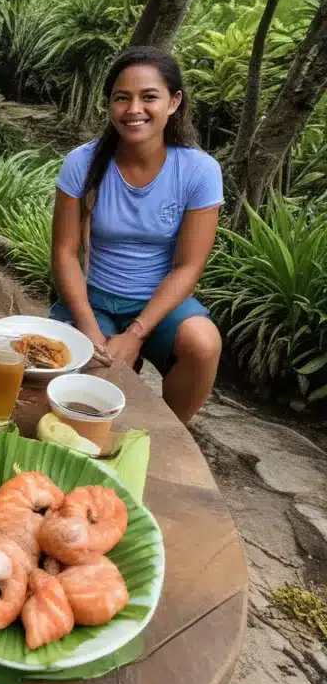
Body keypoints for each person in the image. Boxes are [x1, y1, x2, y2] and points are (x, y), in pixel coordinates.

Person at [50, 46, 223, 422]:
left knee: (203, 343)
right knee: (83, 379)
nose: (134, 110)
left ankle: (169, 434)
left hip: (160, 304)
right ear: (110, 104)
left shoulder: (199, 171)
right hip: (92, 298)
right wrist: (90, 329)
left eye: (149, 97)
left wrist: (136, 334)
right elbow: (64, 252)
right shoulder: (82, 162)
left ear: (174, 102)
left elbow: (188, 266)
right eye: (122, 98)